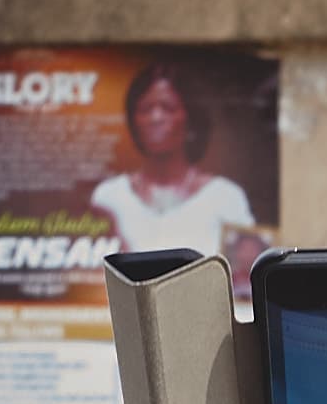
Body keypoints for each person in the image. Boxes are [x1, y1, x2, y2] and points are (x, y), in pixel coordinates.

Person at [87, 55, 266, 283]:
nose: (156, 118)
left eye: (168, 108)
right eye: (146, 109)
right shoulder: (109, 196)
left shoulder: (225, 197)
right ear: (133, 120)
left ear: (190, 119)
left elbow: (245, 286)